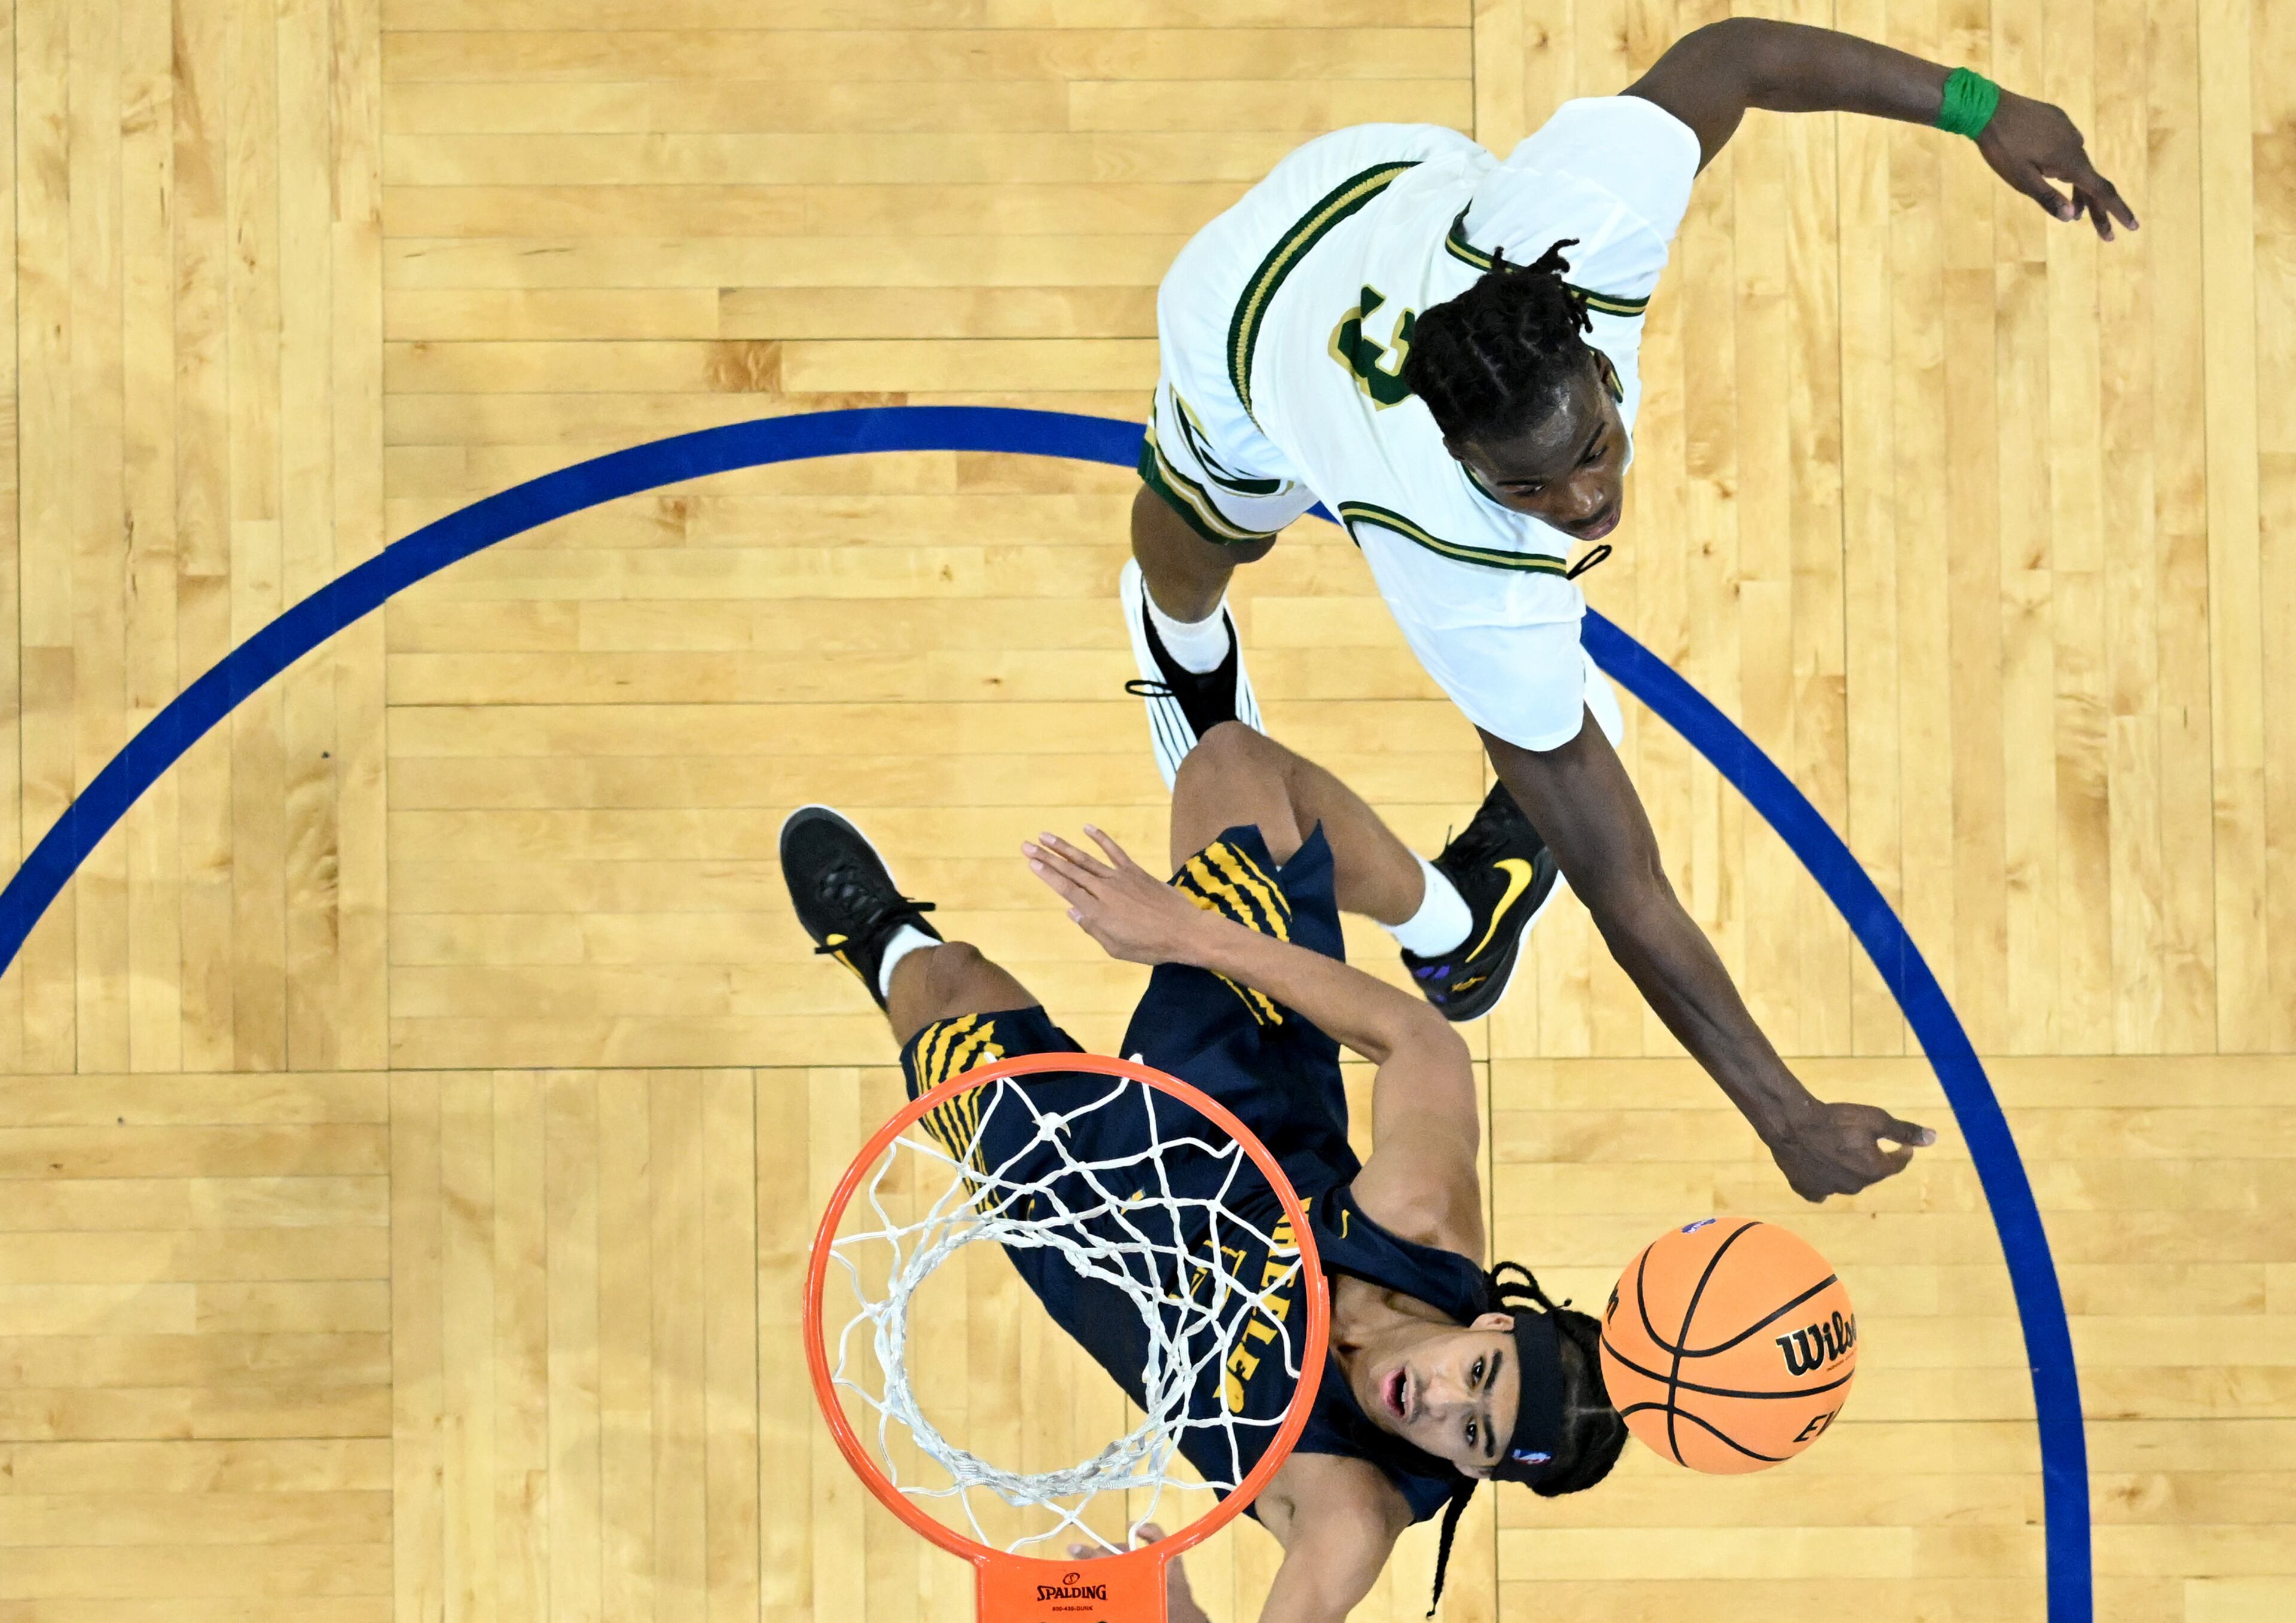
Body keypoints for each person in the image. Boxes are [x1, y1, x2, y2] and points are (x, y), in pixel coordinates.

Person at [1120, 19, 2118, 1200]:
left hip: (1378, 180)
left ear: (1592, 352)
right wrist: (1781, 1112)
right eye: (1530, 486)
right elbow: (1621, 879)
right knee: (1187, 539)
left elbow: (1738, 57)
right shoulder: (1466, 570)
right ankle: (1186, 661)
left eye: (1591, 448)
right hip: (1242, 323)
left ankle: (1459, 928)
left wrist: (1976, 105)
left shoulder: (1581, 224)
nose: (1586, 499)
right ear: (1460, 460)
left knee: (1541, 741)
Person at [781, 720, 1769, 1619]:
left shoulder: (1349, 1514)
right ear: (1490, 1324)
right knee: (1233, 768)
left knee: (949, 983)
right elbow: (1420, 1042)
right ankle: (1456, 921)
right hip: (1242, 1101)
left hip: (1094, 1227)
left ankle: (879, 942)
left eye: (1475, 1437)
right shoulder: (1423, 1225)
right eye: (1477, 1376)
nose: (1438, 1405)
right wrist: (1186, 933)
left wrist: (1176, 1615)